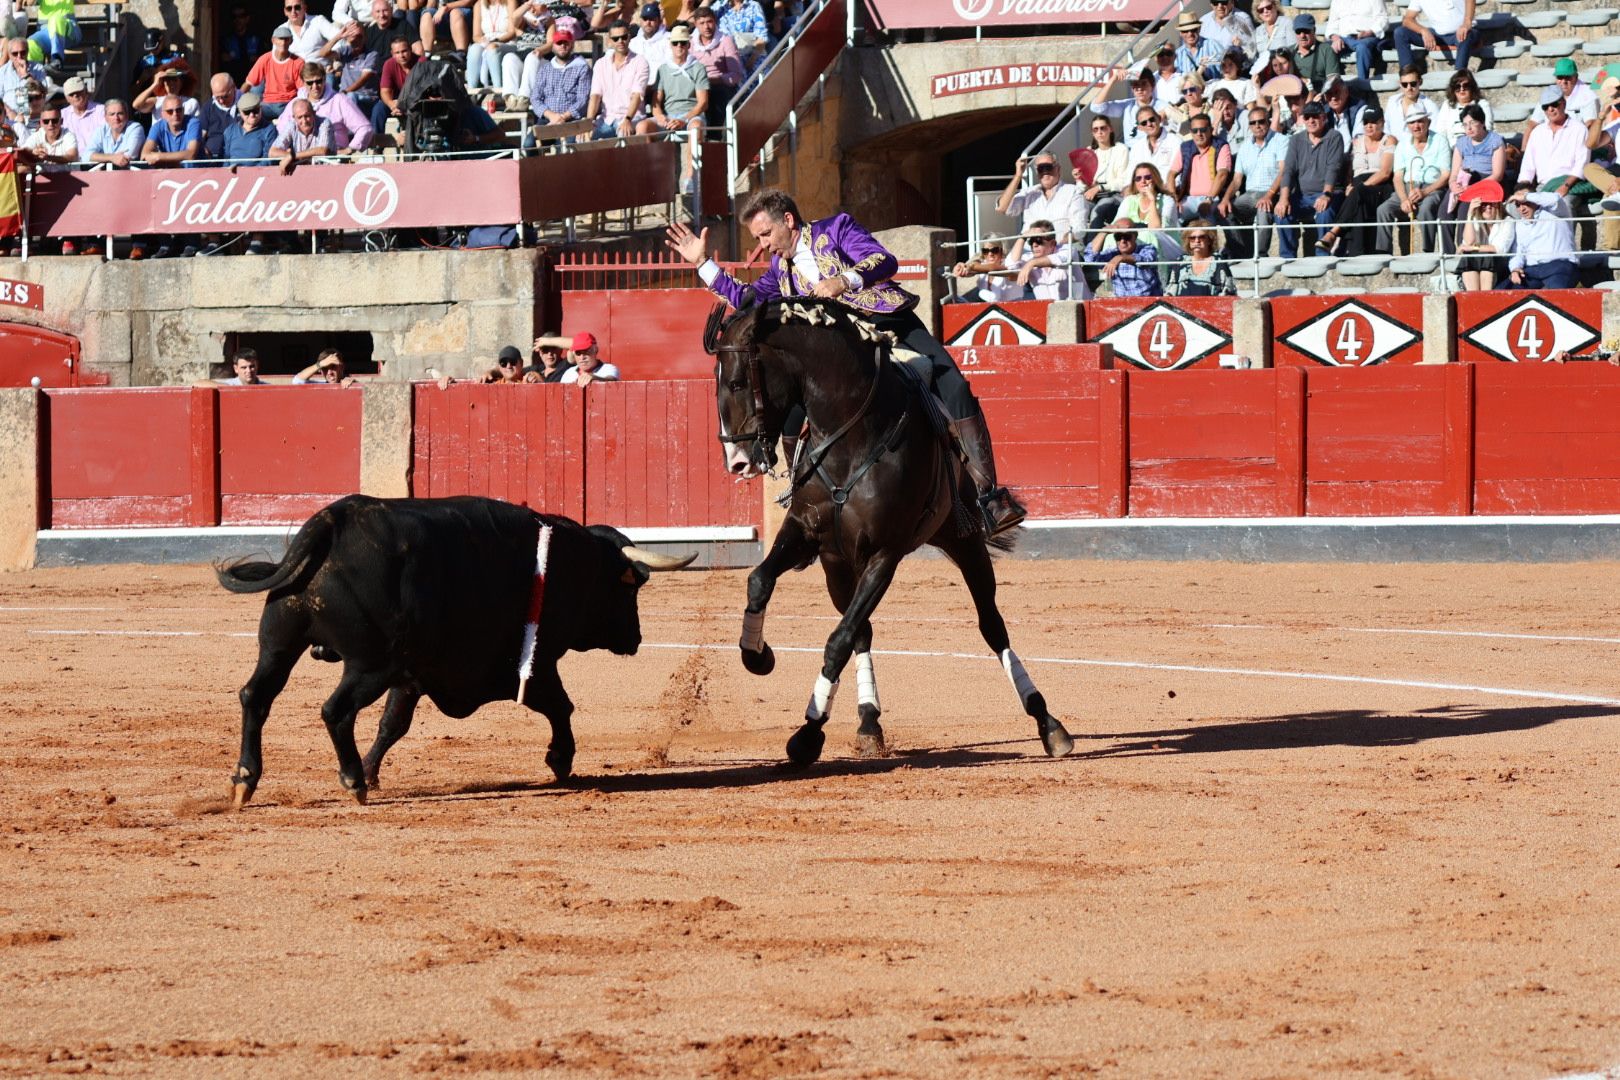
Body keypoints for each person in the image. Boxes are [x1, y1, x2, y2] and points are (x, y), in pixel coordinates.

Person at [664, 189, 1027, 535]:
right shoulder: (781, 270)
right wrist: (702, 263)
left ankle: (988, 497)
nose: (763, 245)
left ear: (788, 220)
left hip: (888, 323)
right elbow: (746, 299)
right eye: (759, 238)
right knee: (789, 412)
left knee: (955, 386)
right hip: (840, 354)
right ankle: (802, 499)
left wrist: (843, 280)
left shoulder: (835, 230)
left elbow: (884, 261)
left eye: (765, 234)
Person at [1315, 105, 1396, 256]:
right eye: (1366, 122)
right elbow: (1350, 171)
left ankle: (1333, 233)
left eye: (1373, 122)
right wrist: (1349, 185)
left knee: (1357, 193)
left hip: (1379, 185)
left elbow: (1385, 172)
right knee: (1357, 204)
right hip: (1359, 186)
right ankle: (1356, 253)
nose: (1369, 126)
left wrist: (1359, 187)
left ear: (1382, 122)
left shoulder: (1389, 140)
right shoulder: (1357, 141)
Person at [1275, 99, 1347, 258]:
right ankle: (1287, 257)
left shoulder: (1334, 137)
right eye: (1307, 117)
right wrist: (1284, 198)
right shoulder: (1295, 140)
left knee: (1324, 210)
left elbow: (1333, 168)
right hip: (1302, 196)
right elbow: (1288, 170)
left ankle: (1322, 256)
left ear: (1324, 117)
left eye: (1315, 116)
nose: (1311, 120)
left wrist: (1326, 194)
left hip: (1329, 193)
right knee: (1281, 212)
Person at [640, 22, 707, 189]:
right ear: (670, 45)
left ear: (688, 45)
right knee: (642, 127)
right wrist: (661, 117)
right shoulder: (663, 69)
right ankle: (652, 174)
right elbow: (656, 102)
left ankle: (691, 177)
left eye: (683, 43)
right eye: (676, 43)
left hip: (691, 116)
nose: (679, 46)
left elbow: (703, 103)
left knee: (696, 127)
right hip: (669, 115)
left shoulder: (698, 68)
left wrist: (684, 119)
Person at [1376, 111, 1451, 254]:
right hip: (1406, 188)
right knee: (1383, 210)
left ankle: (1427, 251)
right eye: (1412, 123)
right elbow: (1397, 177)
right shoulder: (1403, 145)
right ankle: (1383, 253)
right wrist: (1404, 199)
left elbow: (1445, 175)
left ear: (1427, 122)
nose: (1416, 126)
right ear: (1407, 126)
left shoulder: (1440, 140)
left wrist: (1424, 192)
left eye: (1420, 121)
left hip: (1432, 188)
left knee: (1427, 208)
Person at [1221, 105, 1290, 258]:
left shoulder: (1281, 140)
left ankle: (1261, 255)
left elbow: (1283, 171)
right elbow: (1237, 179)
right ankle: (1239, 252)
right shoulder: (1245, 147)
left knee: (1263, 208)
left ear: (1268, 121)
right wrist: (1225, 199)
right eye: (1253, 123)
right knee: (1224, 211)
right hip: (1249, 194)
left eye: (1261, 121)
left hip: (1272, 192)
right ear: (1249, 125)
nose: (1257, 126)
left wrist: (1269, 195)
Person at [276, 60, 373, 152]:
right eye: (310, 83)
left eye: (318, 81)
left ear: (325, 79)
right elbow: (282, 128)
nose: (315, 86)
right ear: (303, 82)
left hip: (334, 159)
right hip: (302, 158)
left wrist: (350, 149)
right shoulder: (295, 104)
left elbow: (365, 128)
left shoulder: (339, 100)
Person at [1517, 88, 1590, 201]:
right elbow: (1527, 166)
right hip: (1543, 187)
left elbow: (1582, 164)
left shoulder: (1579, 129)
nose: (1550, 109)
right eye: (1545, 107)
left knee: (1563, 204)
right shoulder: (1537, 132)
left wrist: (1565, 186)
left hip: (1571, 185)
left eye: (1554, 104)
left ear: (1563, 104)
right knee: (1513, 206)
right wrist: (1522, 189)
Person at [996, 150, 1081, 245]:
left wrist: (1054, 247)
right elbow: (1002, 208)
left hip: (1059, 250)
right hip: (1029, 250)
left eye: (1048, 167)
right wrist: (1018, 176)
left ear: (1058, 169)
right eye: (1041, 168)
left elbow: (1079, 229)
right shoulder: (1028, 193)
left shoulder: (1073, 191)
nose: (1045, 172)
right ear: (1037, 171)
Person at [585, 19, 648, 138]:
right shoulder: (600, 64)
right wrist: (588, 123)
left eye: (624, 37)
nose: (620, 41)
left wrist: (628, 119)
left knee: (623, 134)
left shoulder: (640, 62)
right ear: (610, 41)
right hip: (607, 119)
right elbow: (595, 96)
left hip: (632, 118)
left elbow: (637, 95)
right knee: (583, 138)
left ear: (629, 37)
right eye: (616, 38)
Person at [1504, 190, 1577, 289]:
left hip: (1559, 266)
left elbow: (1555, 199)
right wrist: (1515, 269)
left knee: (1558, 298)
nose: (1522, 209)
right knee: (1504, 293)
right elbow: (1517, 252)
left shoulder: (1556, 212)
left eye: (1525, 203)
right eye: (1518, 205)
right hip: (1531, 271)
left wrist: (1526, 196)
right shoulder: (1520, 224)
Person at [525, 26, 589, 135]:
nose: (563, 46)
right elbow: (535, 98)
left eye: (566, 43)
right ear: (553, 46)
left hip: (571, 120)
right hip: (548, 119)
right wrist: (552, 116)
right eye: (559, 43)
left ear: (572, 45)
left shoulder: (582, 67)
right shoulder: (545, 69)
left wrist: (563, 117)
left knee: (567, 147)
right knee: (529, 145)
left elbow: (583, 99)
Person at [1173, 113, 1232, 222]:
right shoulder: (1185, 147)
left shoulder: (1221, 145)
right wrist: (1174, 199)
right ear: (1191, 132)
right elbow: (1171, 174)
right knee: (1171, 213)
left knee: (1207, 218)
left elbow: (1222, 174)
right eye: (1195, 131)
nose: (1199, 133)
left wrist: (1209, 199)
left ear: (1211, 130)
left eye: (1203, 130)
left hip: (1214, 198)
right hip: (1188, 199)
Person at [1083, 219, 1163, 297]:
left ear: (1135, 236)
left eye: (1127, 236)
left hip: (1149, 302)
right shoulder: (1112, 254)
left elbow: (1146, 260)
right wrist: (1103, 232)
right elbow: (1089, 258)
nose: (1122, 241)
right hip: (1122, 304)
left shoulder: (1147, 248)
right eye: (1118, 237)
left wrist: (1121, 258)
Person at [1455, 184, 1512, 291]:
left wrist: (1473, 248)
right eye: (1484, 204)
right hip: (1480, 264)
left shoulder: (1507, 221)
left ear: (1499, 205)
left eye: (1492, 204)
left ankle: (1484, 296)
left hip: (1500, 265)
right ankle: (1474, 296)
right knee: (1469, 257)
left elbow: (1499, 249)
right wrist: (1469, 215)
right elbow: (1468, 242)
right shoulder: (1476, 219)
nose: (1488, 207)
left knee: (1487, 256)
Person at [1394, 0, 1475, 74]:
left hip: (1462, 32)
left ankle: (1460, 78)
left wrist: (1467, 23)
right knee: (1400, 33)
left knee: (1465, 35)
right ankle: (1408, 77)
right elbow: (1407, 20)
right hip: (1437, 35)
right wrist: (1423, 30)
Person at [1009, 221, 1083, 301]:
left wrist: (1031, 263)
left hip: (1080, 308)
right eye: (1031, 241)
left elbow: (1060, 260)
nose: (1034, 245)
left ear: (1052, 244)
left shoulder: (1068, 249)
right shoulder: (1028, 258)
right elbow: (1011, 266)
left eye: (1038, 240)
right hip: (1047, 311)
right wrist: (1022, 237)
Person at [691, 6, 742, 121]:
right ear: (696, 25)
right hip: (697, 86)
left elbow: (735, 75)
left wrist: (714, 80)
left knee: (719, 94)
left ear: (715, 21)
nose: (706, 27)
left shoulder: (725, 41)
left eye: (709, 22)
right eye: (702, 23)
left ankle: (718, 135)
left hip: (720, 86)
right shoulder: (691, 43)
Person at [467, 0, 523, 100]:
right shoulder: (479, 4)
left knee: (492, 48)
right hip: (486, 42)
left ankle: (498, 90)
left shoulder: (510, 2)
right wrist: (483, 41)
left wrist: (496, 41)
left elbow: (512, 32)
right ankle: (472, 93)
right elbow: (476, 36)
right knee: (474, 49)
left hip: (506, 42)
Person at [1081, 117, 1129, 233]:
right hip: (1093, 194)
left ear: (1110, 129)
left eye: (1103, 128)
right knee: (1078, 208)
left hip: (1114, 194)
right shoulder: (1089, 151)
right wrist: (1080, 179)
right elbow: (1084, 185)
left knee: (1098, 210)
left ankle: (1091, 248)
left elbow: (1123, 181)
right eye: (1095, 129)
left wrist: (1099, 187)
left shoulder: (1121, 149)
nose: (1099, 132)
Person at [247, 25, 305, 120]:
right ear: (273, 40)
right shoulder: (264, 59)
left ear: (291, 41)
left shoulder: (299, 62)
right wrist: (237, 101)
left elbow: (303, 90)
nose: (283, 43)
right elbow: (250, 83)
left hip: (289, 104)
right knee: (248, 115)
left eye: (286, 39)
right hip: (267, 104)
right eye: (280, 39)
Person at [1165, 219, 1236, 296]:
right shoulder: (1180, 262)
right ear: (1188, 241)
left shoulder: (1218, 262)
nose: (1197, 241)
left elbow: (1229, 292)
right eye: (1192, 238)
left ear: (1209, 240)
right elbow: (1170, 293)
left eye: (1201, 237)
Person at [1323, 0, 1387, 80]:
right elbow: (1332, 24)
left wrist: (1369, 32)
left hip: (1366, 37)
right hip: (1344, 37)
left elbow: (1383, 19)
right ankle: (1332, 84)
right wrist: (1335, 38)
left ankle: (1362, 83)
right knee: (1326, 48)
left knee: (1362, 47)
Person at [270, 96, 334, 175]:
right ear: (294, 118)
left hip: (325, 172)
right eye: (300, 117)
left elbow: (322, 150)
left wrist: (292, 156)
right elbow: (272, 152)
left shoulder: (324, 123)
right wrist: (289, 156)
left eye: (307, 116)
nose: (304, 121)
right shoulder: (291, 125)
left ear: (314, 113)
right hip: (299, 173)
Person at [1283, 13, 1341, 93]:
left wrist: (1322, 94)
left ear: (1314, 30)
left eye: (1306, 31)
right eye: (1298, 31)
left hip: (1319, 96)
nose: (1302, 35)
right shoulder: (1288, 52)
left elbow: (1333, 79)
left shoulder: (1326, 50)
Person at [1434, 68, 1494, 144]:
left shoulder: (1482, 104)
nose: (1462, 89)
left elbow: (1486, 129)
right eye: (1457, 87)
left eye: (1466, 86)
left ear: (1472, 87)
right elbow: (1440, 132)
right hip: (1451, 149)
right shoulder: (1447, 105)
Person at [951, 240, 1021, 304]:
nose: (990, 254)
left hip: (1013, 309)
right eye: (986, 251)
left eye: (995, 250)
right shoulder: (982, 265)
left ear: (1002, 251)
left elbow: (993, 268)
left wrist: (970, 266)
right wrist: (960, 268)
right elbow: (972, 269)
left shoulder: (1009, 265)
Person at [196, 73, 241, 160]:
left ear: (233, 88)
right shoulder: (208, 107)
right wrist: (202, 148)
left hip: (237, 156)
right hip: (212, 156)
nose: (221, 101)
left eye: (225, 96)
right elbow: (201, 134)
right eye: (217, 97)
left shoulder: (244, 105)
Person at [630, 2, 671, 89]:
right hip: (636, 89)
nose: (648, 22)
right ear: (640, 21)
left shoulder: (669, 40)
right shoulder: (633, 43)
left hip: (662, 89)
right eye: (645, 19)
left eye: (652, 19)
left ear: (659, 21)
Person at [1249, 0, 1295, 78]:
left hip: (1284, 73)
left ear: (1275, 6)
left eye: (1268, 7)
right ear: (1258, 14)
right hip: (1265, 75)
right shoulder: (1258, 31)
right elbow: (1255, 56)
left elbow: (1293, 49)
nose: (1265, 11)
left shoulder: (1287, 23)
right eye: (1261, 10)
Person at [1173, 11, 1221, 81]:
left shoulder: (1212, 45)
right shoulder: (1177, 54)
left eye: (1193, 30)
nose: (1190, 34)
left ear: (1199, 29)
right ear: (1180, 33)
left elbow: (1225, 67)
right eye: (1185, 31)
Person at [220, 5, 262, 84]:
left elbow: (263, 60)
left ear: (247, 18)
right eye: (234, 17)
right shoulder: (226, 41)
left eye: (241, 16)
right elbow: (223, 60)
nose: (237, 19)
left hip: (253, 82)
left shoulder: (257, 39)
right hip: (232, 83)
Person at [293, 349, 359, 386]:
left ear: (342, 367)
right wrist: (320, 364)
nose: (329, 372)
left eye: (333, 367)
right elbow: (297, 381)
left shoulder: (349, 382)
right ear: (320, 371)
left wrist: (353, 384)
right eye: (325, 368)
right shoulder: (320, 384)